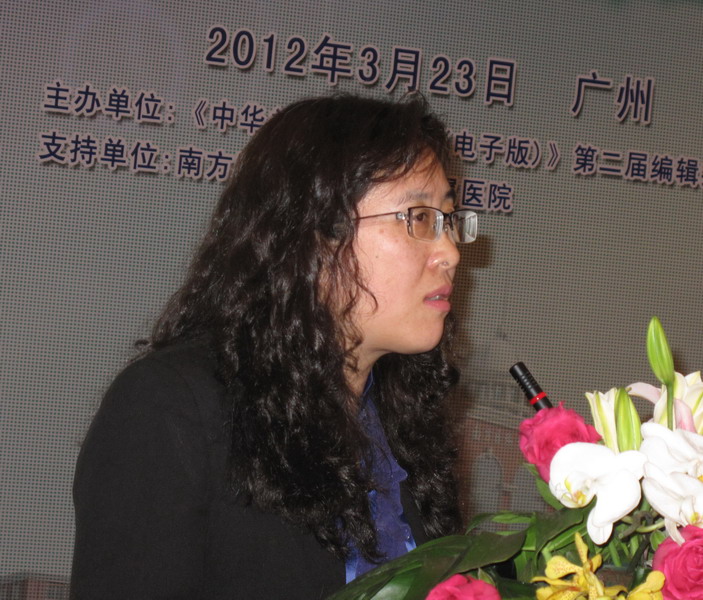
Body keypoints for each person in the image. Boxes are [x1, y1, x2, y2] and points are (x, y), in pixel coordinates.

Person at [70, 94, 478, 599]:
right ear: (314, 233)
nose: (450, 252)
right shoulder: (172, 408)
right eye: (418, 218)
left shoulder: (400, 421)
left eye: (448, 219)